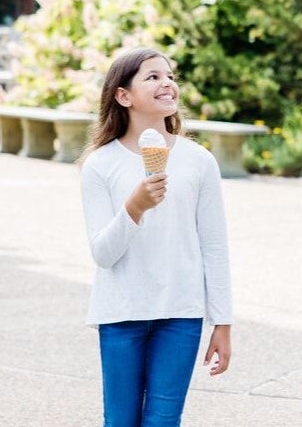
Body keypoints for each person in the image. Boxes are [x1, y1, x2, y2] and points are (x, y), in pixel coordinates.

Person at [79, 47, 232, 427]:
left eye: (170, 76)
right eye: (152, 76)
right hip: (120, 313)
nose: (167, 83)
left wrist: (223, 322)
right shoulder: (100, 165)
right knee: (119, 421)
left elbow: (214, 246)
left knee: (163, 421)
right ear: (123, 95)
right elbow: (103, 253)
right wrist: (134, 206)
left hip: (180, 314)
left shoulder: (199, 161)